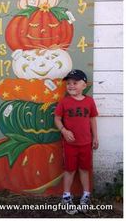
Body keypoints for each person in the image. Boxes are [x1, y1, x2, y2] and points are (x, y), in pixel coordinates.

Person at [54, 69, 98, 215]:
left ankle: (86, 195)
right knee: (70, 170)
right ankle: (66, 196)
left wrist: (95, 137)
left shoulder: (89, 101)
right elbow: (57, 118)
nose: (71, 86)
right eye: (68, 83)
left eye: (75, 83)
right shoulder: (64, 102)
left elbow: (92, 119)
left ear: (84, 85)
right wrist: (64, 131)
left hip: (86, 143)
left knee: (85, 170)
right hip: (70, 145)